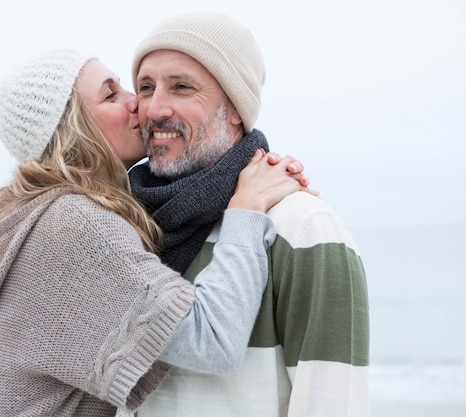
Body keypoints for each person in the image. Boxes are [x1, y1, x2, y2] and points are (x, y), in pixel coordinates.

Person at [0, 49, 313, 416]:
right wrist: (247, 205)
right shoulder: (74, 222)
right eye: (111, 95)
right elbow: (213, 341)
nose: (137, 103)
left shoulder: (38, 215)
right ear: (71, 128)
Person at [126, 11, 370, 417]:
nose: (154, 108)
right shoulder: (121, 230)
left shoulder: (302, 228)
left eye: (182, 87)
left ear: (236, 107)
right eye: (146, 87)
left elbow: (334, 403)